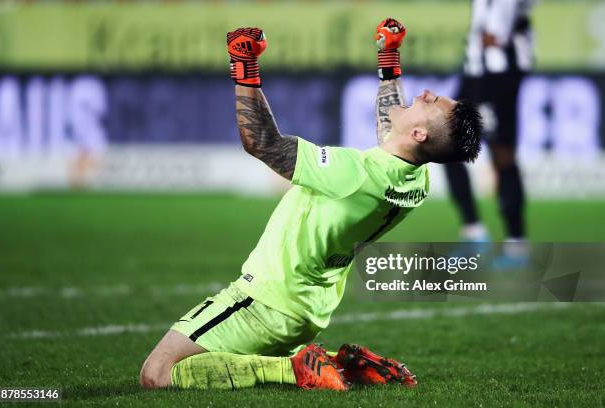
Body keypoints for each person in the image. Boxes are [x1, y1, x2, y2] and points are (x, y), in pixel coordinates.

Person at [140, 18, 482, 391]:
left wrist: (245, 66)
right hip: (308, 310)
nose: (426, 93)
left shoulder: (354, 173)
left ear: (419, 133)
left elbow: (263, 143)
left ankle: (296, 369)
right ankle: (338, 364)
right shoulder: (418, 178)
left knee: (157, 373)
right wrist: (388, 60)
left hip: (264, 299)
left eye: (431, 102)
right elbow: (392, 130)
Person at [444, 0, 537, 266]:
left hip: (497, 72)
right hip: (474, 70)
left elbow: (495, 34)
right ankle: (474, 233)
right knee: (448, 145)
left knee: (501, 152)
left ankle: (516, 242)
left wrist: (493, 33)